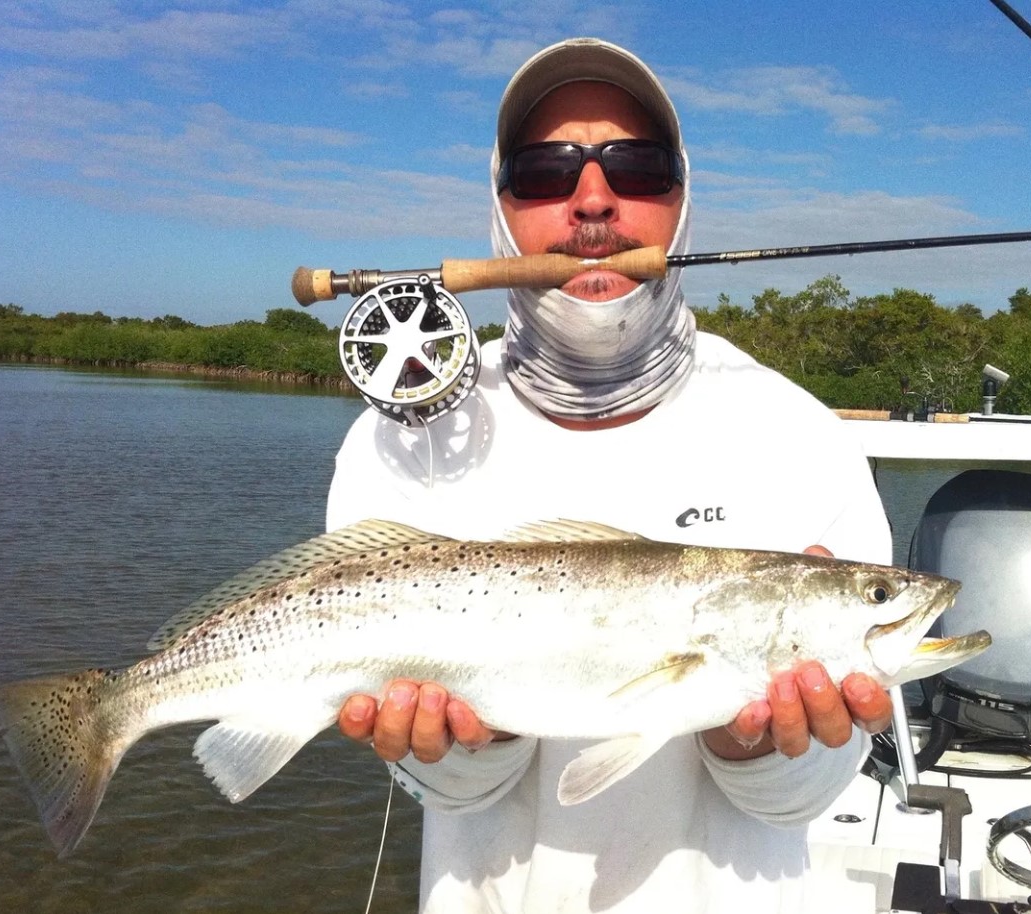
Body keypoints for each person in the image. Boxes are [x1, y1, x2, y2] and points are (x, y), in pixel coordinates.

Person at [327, 37, 893, 914]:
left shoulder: (800, 435)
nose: (593, 200)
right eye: (546, 172)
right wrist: (469, 745)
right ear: (501, 208)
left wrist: (757, 746)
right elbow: (445, 792)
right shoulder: (400, 437)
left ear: (682, 197)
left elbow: (813, 798)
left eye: (637, 165)